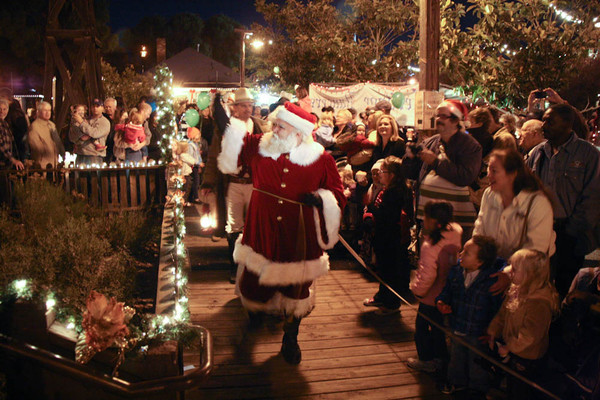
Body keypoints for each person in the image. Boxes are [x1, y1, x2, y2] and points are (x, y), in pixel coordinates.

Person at [217, 101, 345, 364]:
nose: (273, 129)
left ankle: (291, 337)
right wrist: (231, 121)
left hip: (297, 229)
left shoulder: (321, 158)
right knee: (254, 276)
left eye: (280, 126)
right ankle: (255, 314)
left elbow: (337, 193)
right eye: (274, 124)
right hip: (261, 224)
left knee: (295, 285)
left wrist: (322, 200)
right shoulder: (259, 145)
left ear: (299, 132)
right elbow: (232, 151)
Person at [527, 104, 600, 297]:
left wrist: (572, 230)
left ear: (567, 124)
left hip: (570, 235)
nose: (544, 125)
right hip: (540, 230)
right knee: (537, 286)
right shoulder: (538, 153)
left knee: (562, 289)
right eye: (544, 120)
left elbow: (593, 197)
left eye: (550, 121)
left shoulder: (588, 154)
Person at [203, 87, 265, 283]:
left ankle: (252, 266)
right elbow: (214, 156)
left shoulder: (259, 127)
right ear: (235, 108)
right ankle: (235, 265)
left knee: (254, 225)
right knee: (234, 226)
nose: (248, 109)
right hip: (233, 184)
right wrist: (208, 181)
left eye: (250, 105)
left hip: (254, 184)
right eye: (244, 106)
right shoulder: (223, 128)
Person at [403, 100, 482, 241]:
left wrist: (435, 162)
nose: (438, 120)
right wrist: (410, 158)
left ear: (456, 120)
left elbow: (465, 177)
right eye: (437, 115)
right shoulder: (431, 142)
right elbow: (412, 174)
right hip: (429, 219)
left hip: (457, 222)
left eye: (443, 116)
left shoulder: (470, 146)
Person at [436, 235, 504, 397]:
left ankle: (477, 390)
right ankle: (456, 383)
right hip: (457, 325)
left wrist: (492, 329)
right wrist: (441, 302)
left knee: (477, 363)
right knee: (456, 358)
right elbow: (447, 292)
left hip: (478, 331)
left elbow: (496, 309)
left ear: (480, 262)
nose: (460, 254)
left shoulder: (490, 281)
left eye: (467, 253)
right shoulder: (456, 272)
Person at [487, 249, 559, 400]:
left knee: (521, 390)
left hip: (527, 357)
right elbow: (503, 313)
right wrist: (494, 330)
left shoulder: (539, 303)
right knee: (512, 385)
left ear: (530, 274)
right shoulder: (516, 290)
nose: (509, 271)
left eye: (514, 269)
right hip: (513, 350)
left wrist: (510, 346)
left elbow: (530, 336)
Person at [408, 201, 462, 373]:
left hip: (431, 296)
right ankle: (442, 358)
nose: (423, 220)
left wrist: (417, 290)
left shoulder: (431, 246)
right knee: (440, 329)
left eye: (426, 217)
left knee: (422, 327)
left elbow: (427, 274)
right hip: (449, 292)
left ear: (433, 221)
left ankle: (427, 359)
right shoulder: (455, 233)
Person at [473, 149, 555, 260]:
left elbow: (536, 248)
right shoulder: (489, 195)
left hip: (524, 272)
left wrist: (509, 270)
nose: (489, 175)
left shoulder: (537, 203)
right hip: (491, 268)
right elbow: (480, 229)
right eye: (488, 169)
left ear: (512, 174)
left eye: (494, 171)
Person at [362, 156, 413, 315]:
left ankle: (391, 303)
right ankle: (382, 296)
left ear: (392, 174)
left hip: (391, 239)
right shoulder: (390, 190)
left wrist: (371, 213)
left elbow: (387, 216)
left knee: (390, 270)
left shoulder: (395, 193)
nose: (379, 174)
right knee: (383, 269)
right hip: (385, 236)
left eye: (382, 171)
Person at [69, 98, 110, 166]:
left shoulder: (105, 122)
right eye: (93, 106)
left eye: (98, 106)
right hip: (80, 155)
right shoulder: (85, 119)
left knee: (93, 176)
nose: (95, 108)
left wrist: (82, 123)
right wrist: (81, 138)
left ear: (102, 108)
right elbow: (72, 135)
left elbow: (95, 133)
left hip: (94, 156)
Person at [27, 101, 64, 168]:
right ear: (39, 112)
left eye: (49, 110)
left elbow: (58, 142)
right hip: (43, 164)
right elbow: (36, 147)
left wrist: (63, 154)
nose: (47, 113)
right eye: (45, 110)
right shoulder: (34, 127)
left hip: (55, 161)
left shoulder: (52, 125)